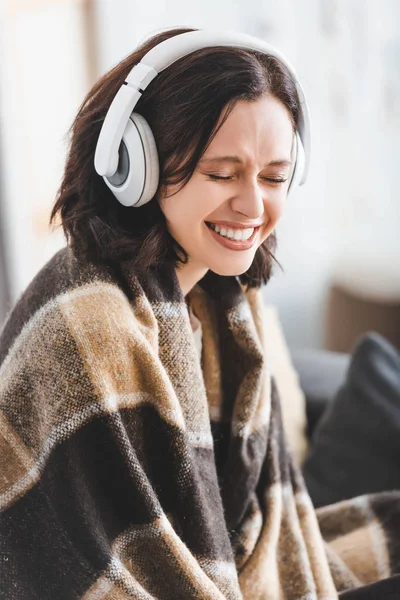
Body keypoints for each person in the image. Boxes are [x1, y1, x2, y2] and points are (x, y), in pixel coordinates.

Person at [1, 25, 400, 600]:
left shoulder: (225, 298)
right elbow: (121, 564)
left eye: (274, 177)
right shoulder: (92, 324)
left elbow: (249, 525)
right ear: (134, 167)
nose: (253, 204)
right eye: (222, 173)